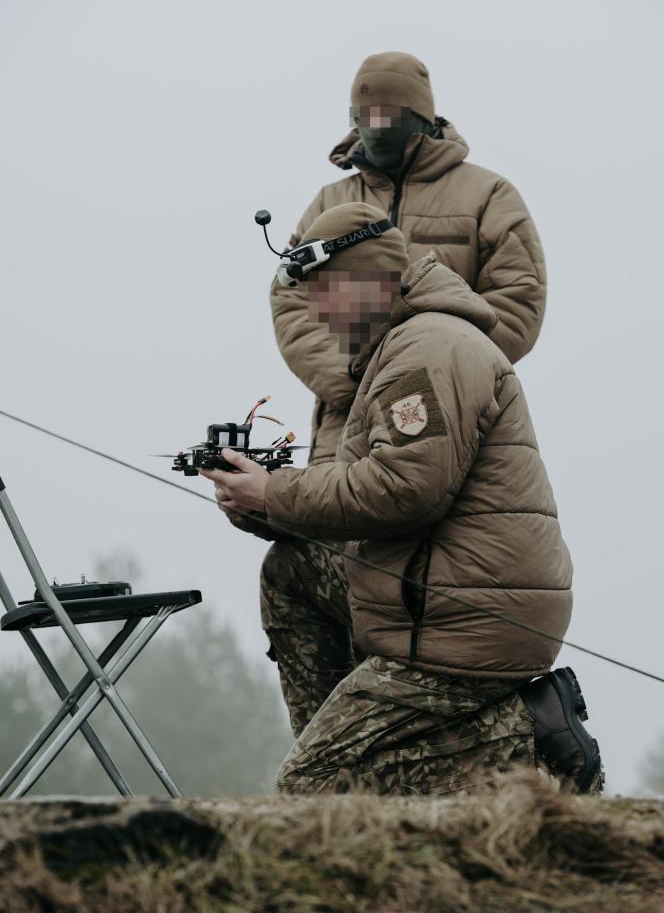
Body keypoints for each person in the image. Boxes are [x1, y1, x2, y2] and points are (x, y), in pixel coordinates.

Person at [200, 202, 604, 796]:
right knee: (292, 569)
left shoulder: (427, 348)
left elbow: (404, 489)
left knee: (312, 788)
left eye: (324, 293)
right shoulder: (400, 347)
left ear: (365, 279)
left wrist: (275, 491)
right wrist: (261, 504)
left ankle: (527, 735)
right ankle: (341, 745)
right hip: (434, 594)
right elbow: (362, 494)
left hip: (465, 618)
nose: (316, 313)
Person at [271, 51, 548, 465]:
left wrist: (439, 373)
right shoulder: (330, 202)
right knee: (332, 503)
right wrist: (351, 378)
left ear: (420, 115)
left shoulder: (488, 195)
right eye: (363, 115)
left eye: (388, 115)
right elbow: (290, 294)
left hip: (456, 411)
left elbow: (518, 299)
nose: (375, 127)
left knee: (428, 498)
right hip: (343, 421)